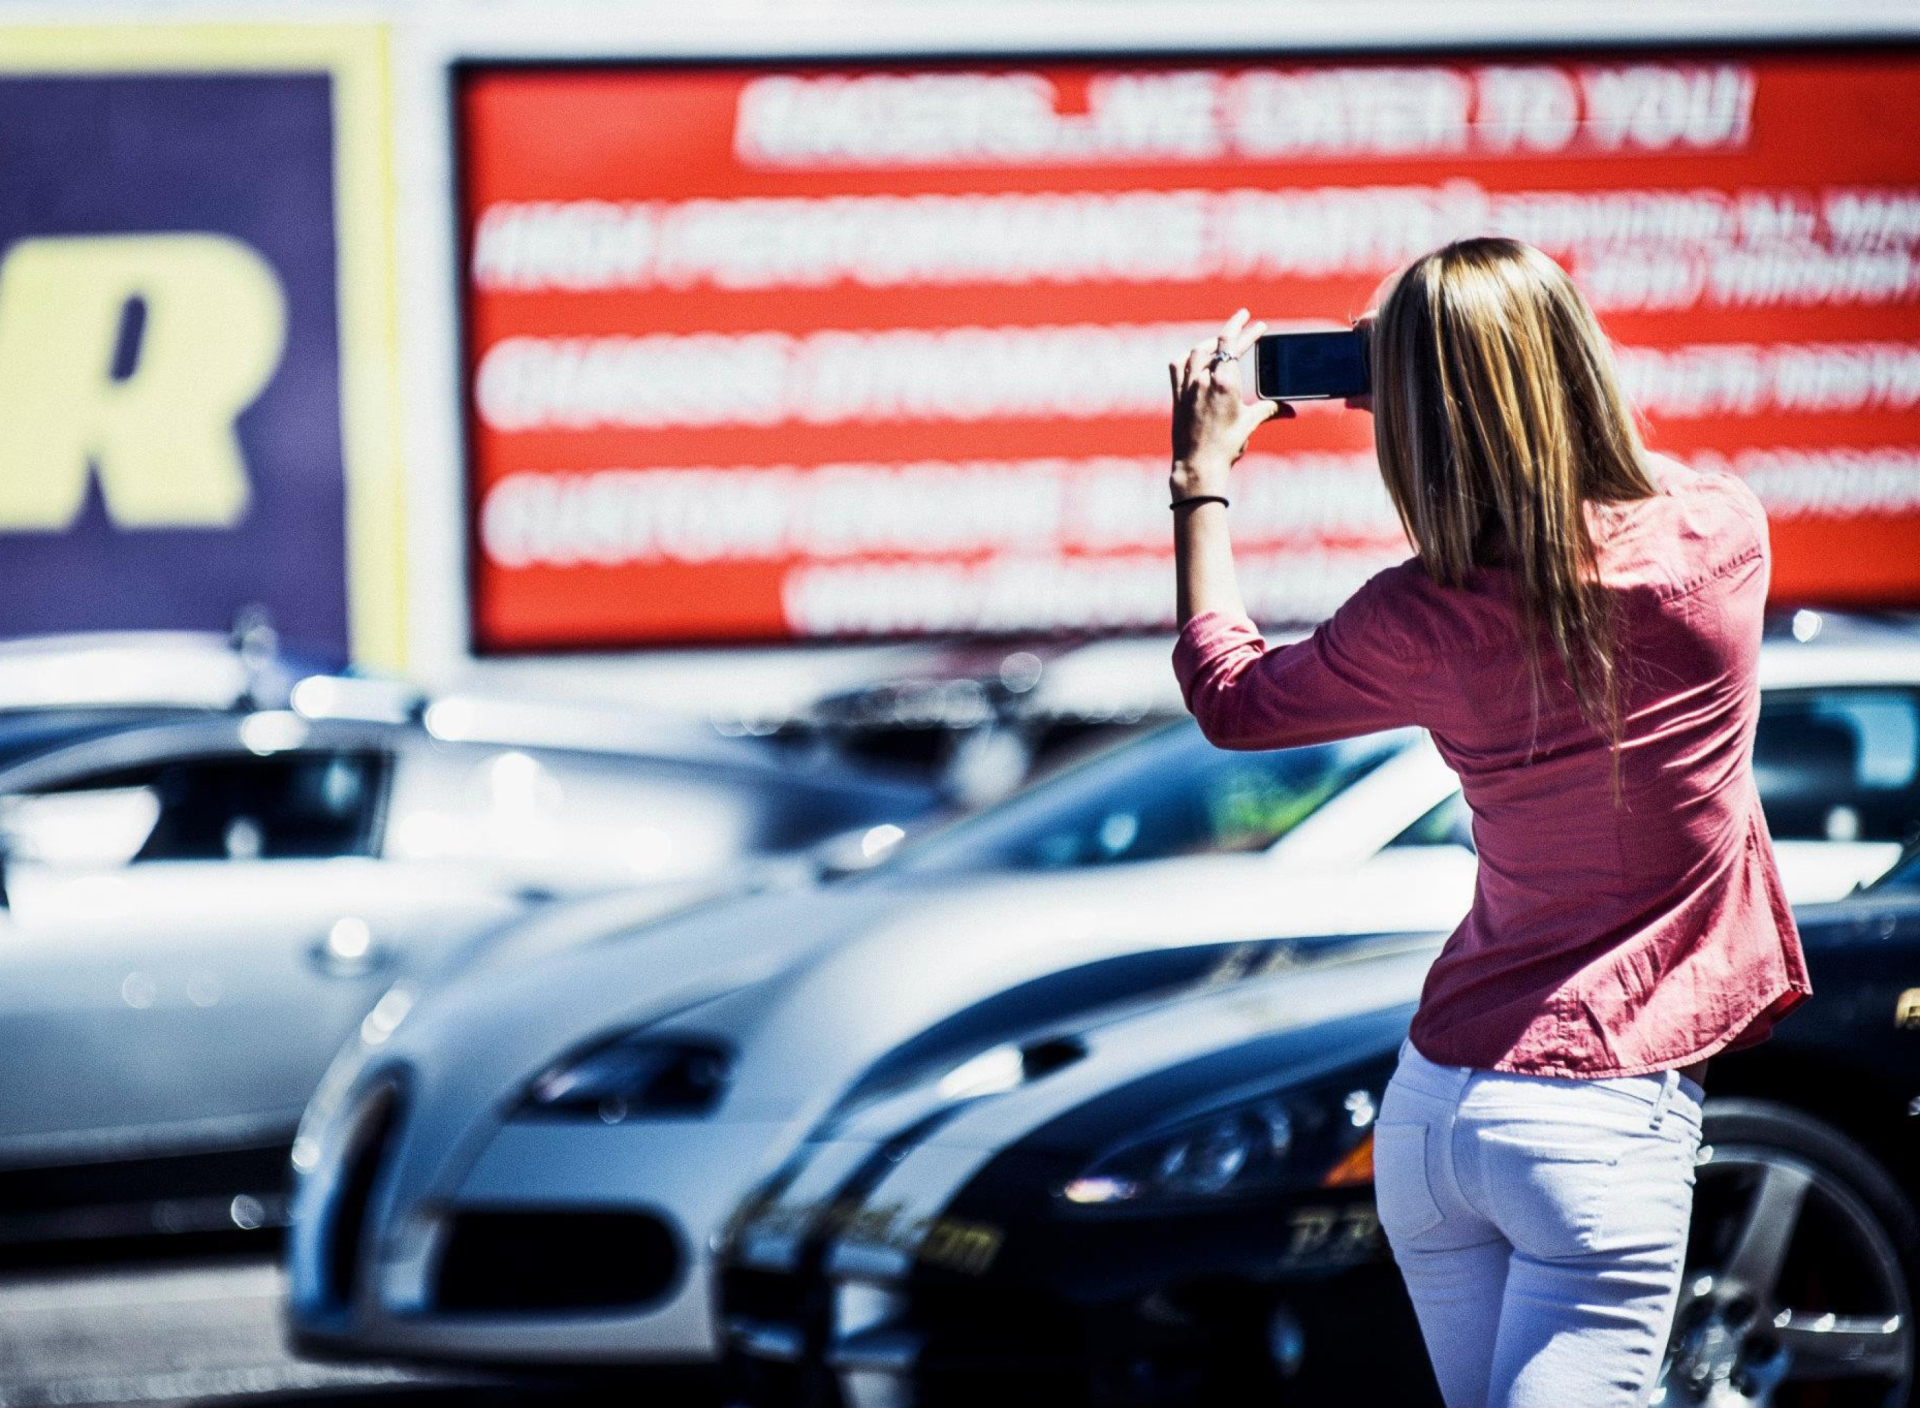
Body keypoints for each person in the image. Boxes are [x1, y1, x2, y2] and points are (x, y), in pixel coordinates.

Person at [1165, 237, 1810, 1408]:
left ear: (1406, 416)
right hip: (1601, 1109)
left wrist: (1201, 477)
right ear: (1574, 364)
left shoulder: (1416, 615)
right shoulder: (1721, 540)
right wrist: (1472, 370)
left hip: (1435, 1108)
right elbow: (1622, 482)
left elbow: (1229, 694)